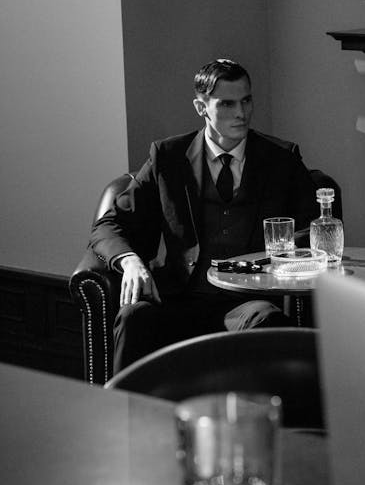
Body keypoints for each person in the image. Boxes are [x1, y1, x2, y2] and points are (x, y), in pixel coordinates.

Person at [90, 59, 318, 372]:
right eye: (227, 103)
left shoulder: (281, 158)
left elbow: (314, 228)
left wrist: (275, 260)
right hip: (179, 298)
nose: (241, 113)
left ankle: (264, 406)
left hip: (245, 302)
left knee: (268, 320)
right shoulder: (168, 157)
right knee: (134, 318)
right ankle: (124, 404)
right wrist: (129, 261)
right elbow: (109, 225)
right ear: (201, 107)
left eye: (246, 100)